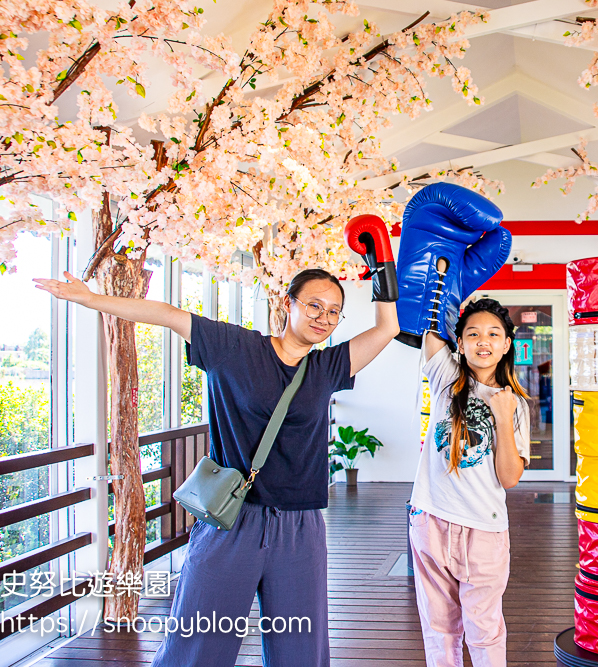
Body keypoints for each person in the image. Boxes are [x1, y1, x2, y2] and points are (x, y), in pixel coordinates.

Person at [34, 219, 399, 667]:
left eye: (333, 312)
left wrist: (382, 263)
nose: (323, 318)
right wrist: (92, 300)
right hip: (231, 520)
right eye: (314, 306)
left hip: (300, 527)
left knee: (300, 649)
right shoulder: (234, 347)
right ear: (288, 303)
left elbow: (386, 328)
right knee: (200, 644)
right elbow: (167, 314)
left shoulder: (328, 367)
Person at [409, 298, 531, 667]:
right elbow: (429, 326)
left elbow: (509, 478)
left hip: (485, 531)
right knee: (439, 628)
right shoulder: (446, 377)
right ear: (459, 343)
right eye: (473, 333)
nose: (483, 341)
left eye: (494, 334)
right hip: (431, 520)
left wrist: (504, 417)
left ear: (507, 343)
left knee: (485, 628)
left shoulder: (516, 404)